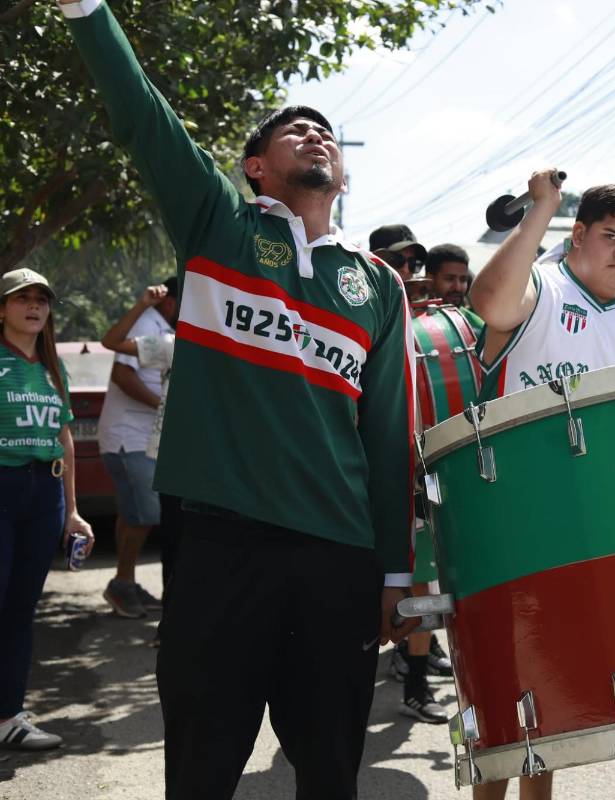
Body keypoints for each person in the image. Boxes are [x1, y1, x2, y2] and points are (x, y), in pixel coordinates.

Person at [59, 3, 420, 798]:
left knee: (330, 772)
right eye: (293, 130)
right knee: (201, 770)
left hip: (339, 560)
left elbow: (390, 438)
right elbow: (143, 115)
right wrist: (87, 12)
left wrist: (396, 570)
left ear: (346, 174)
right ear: (253, 166)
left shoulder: (377, 288)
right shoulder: (217, 224)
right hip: (221, 551)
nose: (315, 134)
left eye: (325, 131)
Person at [468, 172, 615, 799]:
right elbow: (489, 306)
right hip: (512, 515)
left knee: (550, 694)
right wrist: (542, 210)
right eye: (610, 237)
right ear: (576, 236)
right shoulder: (538, 287)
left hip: (598, 526)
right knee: (503, 691)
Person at [0, 268, 94, 751]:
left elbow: (65, 440)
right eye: (22, 299)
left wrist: (72, 512)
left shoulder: (55, 368)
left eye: (41, 299)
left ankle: (9, 717)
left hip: (45, 495)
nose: (34, 306)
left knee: (20, 611)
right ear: (2, 309)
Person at [368, 224, 452, 725]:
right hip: (361, 475)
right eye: (396, 261)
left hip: (417, 471)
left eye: (411, 265)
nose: (406, 273)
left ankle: (416, 681)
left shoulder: (427, 324)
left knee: (421, 585)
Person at [100, 284, 178, 646]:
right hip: (130, 437)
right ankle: (121, 585)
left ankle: (125, 582)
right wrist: (166, 407)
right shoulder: (151, 325)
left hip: (146, 441)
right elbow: (121, 371)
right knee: (145, 514)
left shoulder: (171, 336)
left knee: (133, 512)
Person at [425, 244, 473, 309]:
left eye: (463, 280)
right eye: (449, 279)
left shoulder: (469, 318)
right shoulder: (411, 316)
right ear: (429, 279)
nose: (457, 288)